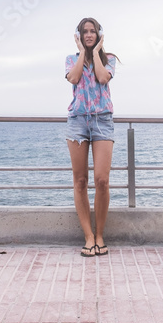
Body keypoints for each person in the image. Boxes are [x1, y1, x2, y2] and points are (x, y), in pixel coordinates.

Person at [64, 17, 118, 257]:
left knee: (102, 180)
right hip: (77, 122)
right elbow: (74, 79)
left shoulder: (110, 59)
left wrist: (96, 53)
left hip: (102, 122)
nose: (88, 35)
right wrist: (80, 53)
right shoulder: (70, 60)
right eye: (84, 32)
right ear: (79, 35)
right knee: (81, 181)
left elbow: (102, 78)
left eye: (92, 31)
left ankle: (99, 235)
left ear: (99, 34)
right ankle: (88, 237)